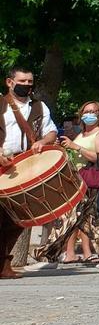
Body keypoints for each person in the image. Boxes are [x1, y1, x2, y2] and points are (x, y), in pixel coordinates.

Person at [34, 101, 99, 266]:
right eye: (86, 111)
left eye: (93, 112)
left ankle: (46, 255)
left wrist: (75, 147)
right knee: (90, 221)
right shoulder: (81, 134)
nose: (89, 114)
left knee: (66, 217)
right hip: (75, 180)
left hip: (88, 181)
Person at [0, 66, 59, 278]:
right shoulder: (1, 104)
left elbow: (51, 131)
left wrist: (42, 142)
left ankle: (3, 264)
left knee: (18, 220)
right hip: (1, 165)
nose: (26, 85)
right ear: (9, 82)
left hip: (26, 165)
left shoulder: (39, 107)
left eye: (29, 82)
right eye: (22, 81)